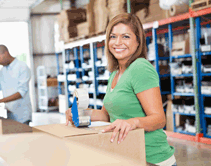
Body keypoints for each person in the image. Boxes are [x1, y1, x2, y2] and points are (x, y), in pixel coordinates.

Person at [66, 13, 176, 166]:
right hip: (127, 155)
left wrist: (132, 122)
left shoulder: (140, 67)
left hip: (151, 158)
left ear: (138, 41)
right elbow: (106, 115)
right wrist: (81, 113)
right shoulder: (115, 73)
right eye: (113, 36)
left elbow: (159, 119)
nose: (118, 42)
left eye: (125, 37)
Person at [0, 45, 32, 125]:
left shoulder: (22, 67)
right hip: (10, 113)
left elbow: (21, 92)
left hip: (22, 115)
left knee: (23, 136)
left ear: (6, 53)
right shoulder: (2, 71)